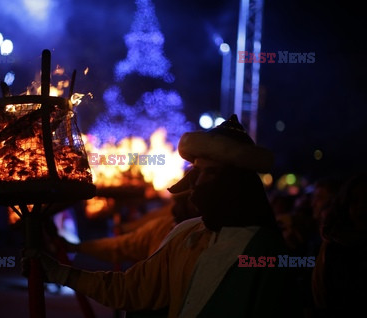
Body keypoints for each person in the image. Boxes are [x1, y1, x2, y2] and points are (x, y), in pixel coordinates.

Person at [23, 114, 302, 317]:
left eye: (212, 173)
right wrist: (60, 272)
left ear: (237, 184)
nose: (198, 183)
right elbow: (130, 288)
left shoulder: (267, 252)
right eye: (197, 172)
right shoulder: (185, 234)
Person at [61, 189, 198, 265]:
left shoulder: (205, 237)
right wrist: (76, 248)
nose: (175, 208)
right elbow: (119, 246)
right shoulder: (164, 227)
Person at [312, 173, 367, 317]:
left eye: (319, 198)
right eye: (355, 201)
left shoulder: (333, 245)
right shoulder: (332, 245)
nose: (361, 207)